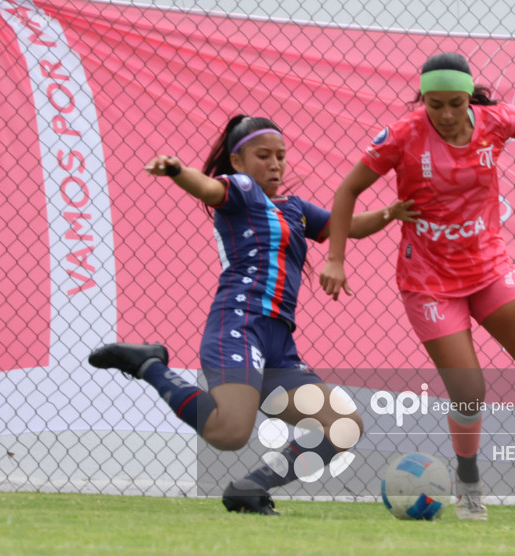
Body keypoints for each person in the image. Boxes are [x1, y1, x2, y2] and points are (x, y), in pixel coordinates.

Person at [319, 53, 515, 520]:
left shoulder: (496, 122)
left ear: (469, 97)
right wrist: (336, 257)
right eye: (436, 104)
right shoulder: (402, 136)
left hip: (489, 269)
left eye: (456, 103)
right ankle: (469, 488)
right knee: (470, 391)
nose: (447, 115)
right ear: (424, 99)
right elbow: (347, 191)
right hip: (429, 282)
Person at [89, 114, 417, 515]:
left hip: (278, 343)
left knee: (343, 425)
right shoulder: (241, 189)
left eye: (281, 156)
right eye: (264, 155)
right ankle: (150, 365)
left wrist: (392, 212)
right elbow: (209, 187)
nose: (276, 164)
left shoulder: (295, 208)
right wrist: (177, 171)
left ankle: (252, 487)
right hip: (239, 325)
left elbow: (348, 227)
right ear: (239, 162)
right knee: (229, 433)